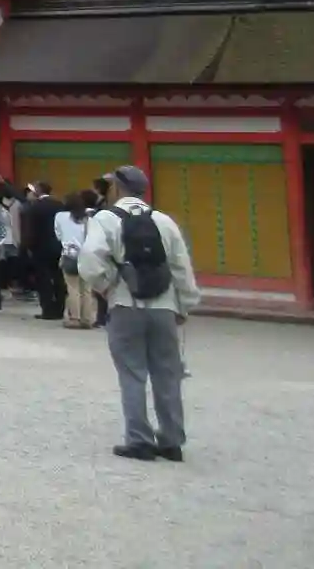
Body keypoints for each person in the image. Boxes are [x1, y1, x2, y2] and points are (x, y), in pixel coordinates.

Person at [77, 165, 200, 461]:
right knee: (167, 373)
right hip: (164, 306)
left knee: (132, 373)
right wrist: (184, 304)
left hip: (125, 303)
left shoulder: (106, 219)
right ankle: (172, 440)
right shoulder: (163, 221)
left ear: (117, 188)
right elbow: (181, 267)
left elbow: (90, 258)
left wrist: (107, 286)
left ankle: (139, 439)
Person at [23, 181, 65, 321]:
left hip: (40, 247)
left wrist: (28, 246)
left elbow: (30, 229)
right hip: (58, 246)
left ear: (38, 191)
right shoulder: (60, 205)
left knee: (43, 278)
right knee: (58, 277)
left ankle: (47, 309)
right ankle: (59, 308)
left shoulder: (35, 207)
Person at [56, 189, 99, 328]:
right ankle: (87, 319)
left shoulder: (60, 217)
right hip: (87, 257)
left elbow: (58, 235)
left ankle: (75, 318)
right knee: (87, 290)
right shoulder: (89, 219)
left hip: (70, 255)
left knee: (72, 288)